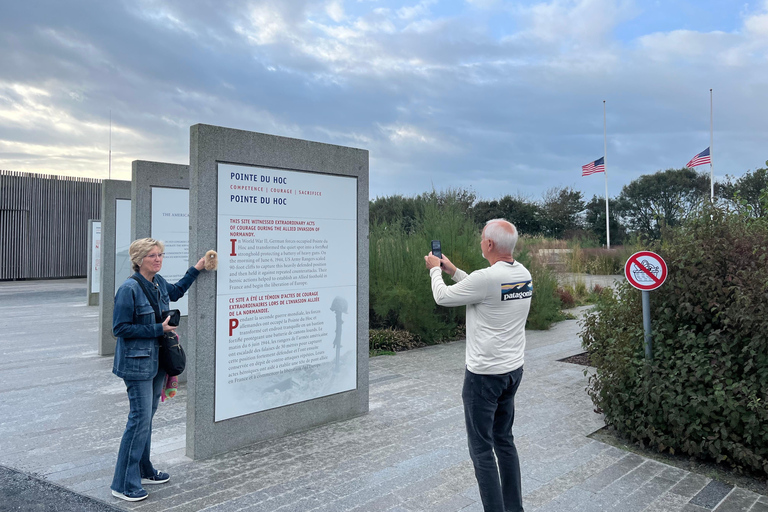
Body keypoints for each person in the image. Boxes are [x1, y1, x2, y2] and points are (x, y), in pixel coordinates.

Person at [424, 219, 532, 512]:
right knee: (504, 441)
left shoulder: (487, 277)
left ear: (489, 245)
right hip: (512, 372)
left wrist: (435, 269)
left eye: (482, 238)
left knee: (482, 450)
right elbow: (485, 291)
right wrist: (454, 270)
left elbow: (442, 297)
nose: (481, 242)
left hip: (484, 378)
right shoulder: (522, 274)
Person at [110, 238, 209, 502]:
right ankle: (122, 483)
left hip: (157, 362)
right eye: (153, 255)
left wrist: (197, 268)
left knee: (147, 418)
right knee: (139, 419)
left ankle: (143, 469)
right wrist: (158, 329)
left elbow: (176, 291)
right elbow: (119, 329)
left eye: (160, 254)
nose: (158, 259)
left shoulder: (158, 283)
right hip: (137, 364)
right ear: (139, 259)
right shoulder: (129, 289)